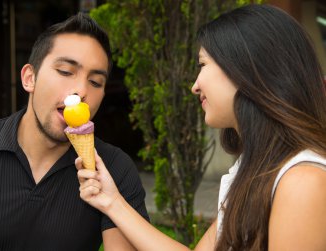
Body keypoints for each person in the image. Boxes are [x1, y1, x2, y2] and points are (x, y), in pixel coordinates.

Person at [76, 4, 326, 251]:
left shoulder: (302, 183)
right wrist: (111, 201)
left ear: (246, 70)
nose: (195, 85)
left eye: (203, 64)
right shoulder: (256, 172)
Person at [0, 13, 149, 251]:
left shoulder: (113, 171)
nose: (80, 91)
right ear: (30, 78)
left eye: (95, 82)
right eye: (65, 71)